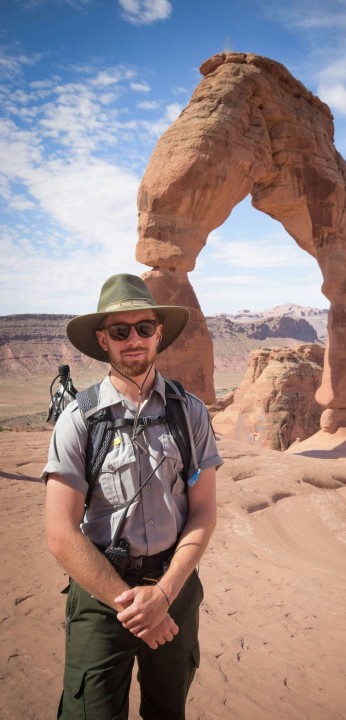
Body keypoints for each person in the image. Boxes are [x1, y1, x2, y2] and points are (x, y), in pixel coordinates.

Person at [43, 273, 222, 720]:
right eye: (120, 331)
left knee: (168, 710)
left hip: (174, 587)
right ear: (103, 339)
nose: (134, 340)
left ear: (159, 333)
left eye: (144, 328)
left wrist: (162, 595)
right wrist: (134, 605)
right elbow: (61, 535)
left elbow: (203, 513)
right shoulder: (79, 421)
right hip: (102, 597)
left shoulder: (190, 413)